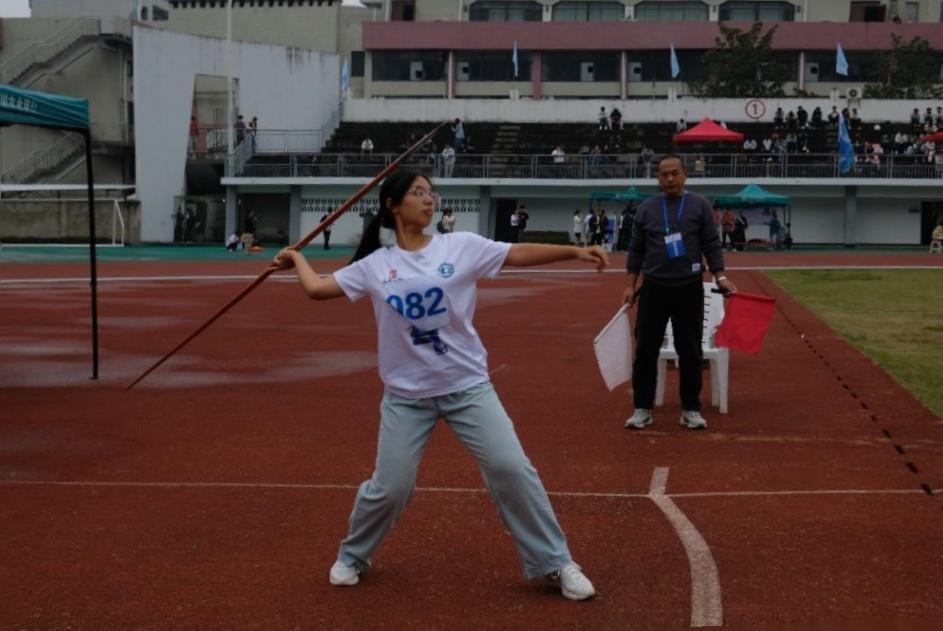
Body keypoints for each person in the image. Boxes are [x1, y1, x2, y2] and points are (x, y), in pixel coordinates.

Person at [272, 169, 605, 600]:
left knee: (511, 469)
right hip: (406, 397)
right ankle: (353, 555)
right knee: (390, 488)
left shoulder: (459, 246)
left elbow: (516, 253)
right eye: (418, 192)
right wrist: (296, 258)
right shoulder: (375, 265)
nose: (429, 200)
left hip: (467, 387)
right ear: (393, 205)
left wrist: (574, 252)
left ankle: (555, 561)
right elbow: (318, 289)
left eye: (431, 193)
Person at [623, 155, 736, 431]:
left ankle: (691, 409)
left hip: (688, 287)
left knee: (690, 351)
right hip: (653, 288)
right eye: (664, 174)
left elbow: (711, 244)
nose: (670, 179)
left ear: (685, 174)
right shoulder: (646, 209)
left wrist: (720, 276)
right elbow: (636, 249)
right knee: (646, 350)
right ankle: (642, 408)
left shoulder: (700, 205)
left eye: (675, 173)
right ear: (657, 178)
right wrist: (629, 285)